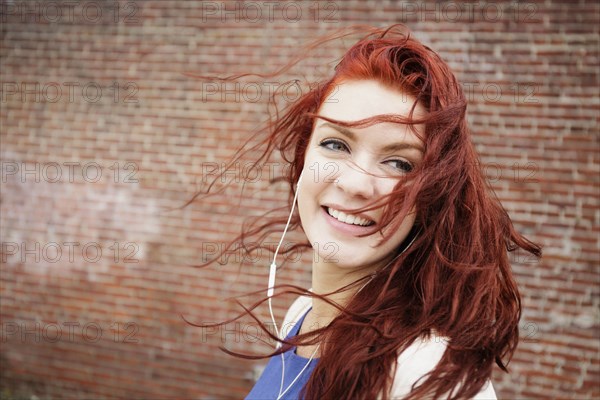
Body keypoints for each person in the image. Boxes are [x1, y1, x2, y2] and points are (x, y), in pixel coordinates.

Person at [188, 25, 542, 400]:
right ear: (303, 157)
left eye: (399, 164)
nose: (357, 184)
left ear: (430, 196)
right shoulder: (300, 315)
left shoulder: (426, 373)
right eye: (335, 143)